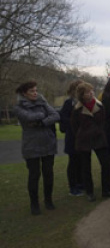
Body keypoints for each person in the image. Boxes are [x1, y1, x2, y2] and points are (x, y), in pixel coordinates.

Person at [14, 81, 60, 215]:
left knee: (48, 173)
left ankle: (48, 200)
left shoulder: (42, 102)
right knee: (34, 175)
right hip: (31, 145)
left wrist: (42, 122)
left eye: (36, 90)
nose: (35, 93)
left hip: (47, 143)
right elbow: (28, 117)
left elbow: (56, 115)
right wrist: (44, 116)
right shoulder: (18, 107)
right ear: (24, 93)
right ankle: (34, 203)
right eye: (32, 91)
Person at [71, 82, 110, 202]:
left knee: (106, 164)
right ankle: (90, 192)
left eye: (91, 91)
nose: (91, 93)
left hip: (98, 138)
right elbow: (74, 126)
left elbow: (103, 121)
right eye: (88, 92)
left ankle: (106, 190)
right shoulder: (77, 109)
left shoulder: (100, 105)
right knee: (86, 167)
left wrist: (98, 131)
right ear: (82, 95)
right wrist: (82, 133)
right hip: (84, 140)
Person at [59, 79, 84, 196]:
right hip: (72, 137)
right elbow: (63, 119)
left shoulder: (85, 103)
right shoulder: (69, 103)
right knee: (73, 162)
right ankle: (73, 186)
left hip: (83, 136)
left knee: (81, 162)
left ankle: (81, 183)